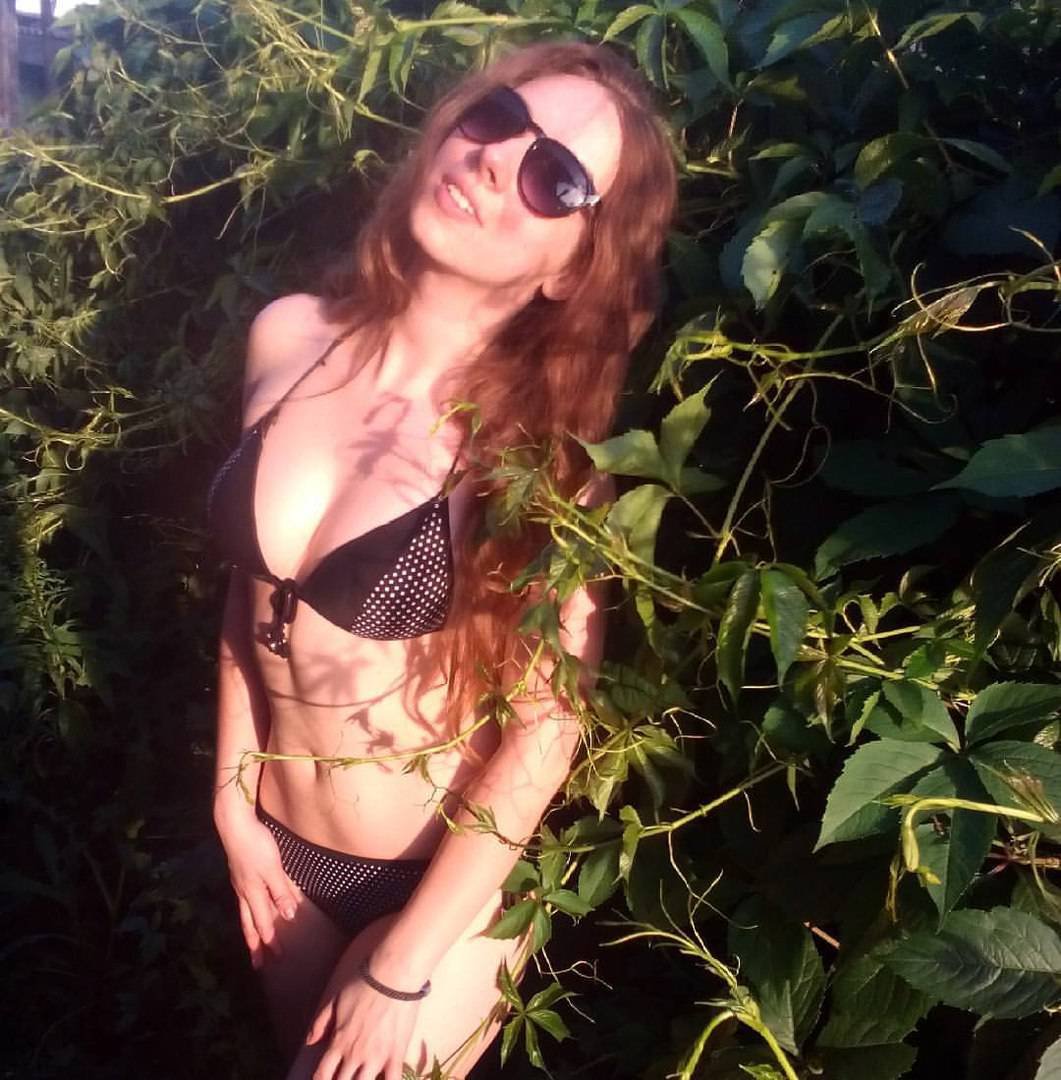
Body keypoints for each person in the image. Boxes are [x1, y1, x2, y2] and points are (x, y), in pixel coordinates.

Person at [209, 39, 676, 1080]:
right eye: (496, 118)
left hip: (440, 892)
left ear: (573, 267)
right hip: (281, 852)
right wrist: (230, 796)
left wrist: (400, 968)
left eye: (555, 177)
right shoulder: (289, 338)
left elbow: (546, 733)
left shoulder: (544, 460)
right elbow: (250, 595)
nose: (496, 160)